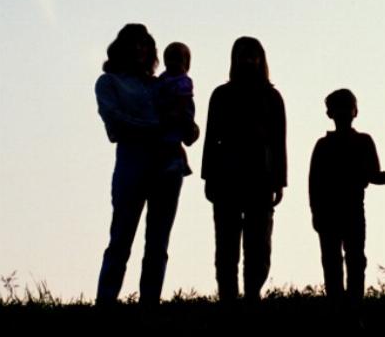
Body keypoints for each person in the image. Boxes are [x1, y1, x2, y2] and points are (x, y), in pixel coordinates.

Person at [94, 24, 193, 305]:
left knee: (158, 242)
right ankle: (105, 301)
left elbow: (186, 121)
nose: (139, 49)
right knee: (121, 238)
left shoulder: (162, 83)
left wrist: (188, 126)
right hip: (132, 166)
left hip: (169, 167)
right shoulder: (109, 82)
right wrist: (160, 126)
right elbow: (116, 124)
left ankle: (149, 303)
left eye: (144, 44)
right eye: (133, 44)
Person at [201, 36, 287, 302]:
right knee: (226, 245)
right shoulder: (221, 95)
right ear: (235, 59)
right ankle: (228, 297)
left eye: (253, 55)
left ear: (261, 59)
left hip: (260, 177)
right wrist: (209, 176)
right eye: (243, 55)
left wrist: (280, 180)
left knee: (259, 244)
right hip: (227, 176)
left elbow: (278, 140)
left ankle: (252, 295)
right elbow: (211, 138)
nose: (249, 60)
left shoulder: (272, 97)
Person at [309, 89, 385, 309]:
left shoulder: (341, 144)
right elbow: (315, 184)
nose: (344, 112)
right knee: (342, 261)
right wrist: (316, 212)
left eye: (346, 107)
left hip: (348, 210)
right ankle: (346, 307)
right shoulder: (336, 144)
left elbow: (374, 176)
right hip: (338, 211)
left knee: (347, 260)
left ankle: (349, 307)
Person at [155, 42, 199, 176]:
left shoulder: (183, 81)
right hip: (165, 115)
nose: (175, 63)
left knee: (175, 142)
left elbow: (183, 100)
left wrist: (177, 114)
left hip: (179, 112)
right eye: (171, 59)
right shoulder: (162, 78)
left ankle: (181, 163)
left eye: (179, 60)